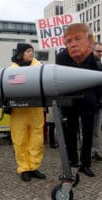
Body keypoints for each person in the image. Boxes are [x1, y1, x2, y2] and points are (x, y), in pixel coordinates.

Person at [56, 23, 99, 177]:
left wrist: (98, 102)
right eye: (69, 41)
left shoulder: (93, 59)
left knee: (87, 135)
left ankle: (85, 164)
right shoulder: (61, 58)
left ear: (88, 41)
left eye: (77, 39)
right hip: (70, 103)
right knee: (70, 134)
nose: (73, 44)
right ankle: (72, 162)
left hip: (89, 103)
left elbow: (98, 82)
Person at [10, 43, 46, 181]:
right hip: (19, 112)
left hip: (35, 111)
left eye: (32, 51)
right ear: (20, 54)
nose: (31, 53)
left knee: (37, 140)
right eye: (28, 51)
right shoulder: (12, 69)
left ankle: (34, 167)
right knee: (20, 141)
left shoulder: (39, 67)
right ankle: (24, 168)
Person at [91, 42, 102, 161]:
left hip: (99, 103)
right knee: (89, 130)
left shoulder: (100, 64)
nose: (100, 53)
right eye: (98, 51)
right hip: (91, 103)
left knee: (96, 130)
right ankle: (89, 152)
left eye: (101, 51)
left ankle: (95, 151)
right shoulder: (89, 65)